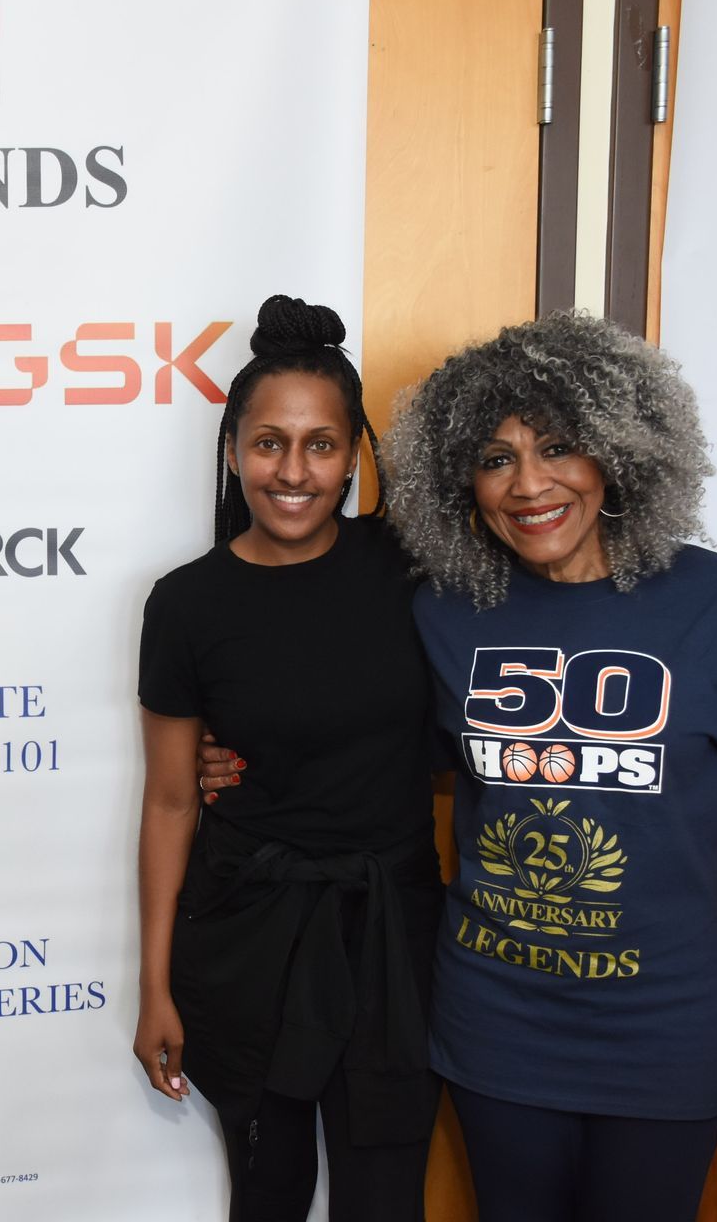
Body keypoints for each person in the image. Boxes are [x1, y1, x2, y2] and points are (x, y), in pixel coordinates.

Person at [383, 311, 717, 1221]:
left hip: (665, 1030)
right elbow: (368, 750)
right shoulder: (444, 612)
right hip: (497, 1025)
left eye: (558, 447)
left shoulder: (715, 600)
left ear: (617, 452)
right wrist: (228, 758)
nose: (529, 484)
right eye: (495, 458)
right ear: (460, 478)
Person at [133, 295, 442, 1221]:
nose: (295, 471)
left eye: (322, 445)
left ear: (355, 457)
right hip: (246, 943)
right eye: (270, 443)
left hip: (392, 940)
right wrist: (153, 986)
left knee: (384, 1202)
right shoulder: (186, 604)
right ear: (233, 451)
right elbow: (169, 803)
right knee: (266, 1196)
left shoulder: (415, 571)